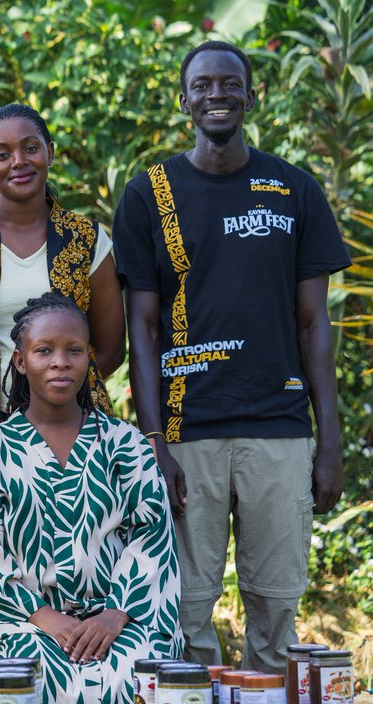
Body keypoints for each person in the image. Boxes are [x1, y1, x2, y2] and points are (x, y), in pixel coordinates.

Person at [112, 41, 350, 673]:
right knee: (186, 611)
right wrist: (153, 441)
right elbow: (143, 329)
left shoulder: (294, 190)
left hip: (279, 428)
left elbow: (313, 324)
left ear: (251, 97)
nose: (216, 95)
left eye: (229, 84)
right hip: (189, 433)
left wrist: (330, 443)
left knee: (275, 607)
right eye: (202, 86)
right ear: (184, 100)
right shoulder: (148, 194)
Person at [0, 292, 182, 704]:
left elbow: (153, 538)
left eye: (74, 350)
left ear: (89, 358)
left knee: (135, 670)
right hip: (20, 621)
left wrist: (115, 615)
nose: (60, 361)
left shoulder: (125, 444)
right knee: (35, 674)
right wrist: (44, 617)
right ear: (20, 361)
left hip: (120, 617)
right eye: (44, 350)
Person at [0, 104, 125, 495]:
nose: (19, 162)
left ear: (49, 152)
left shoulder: (86, 238)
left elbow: (110, 349)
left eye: (31, 148)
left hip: (75, 429)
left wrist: (58, 390)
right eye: (3, 154)